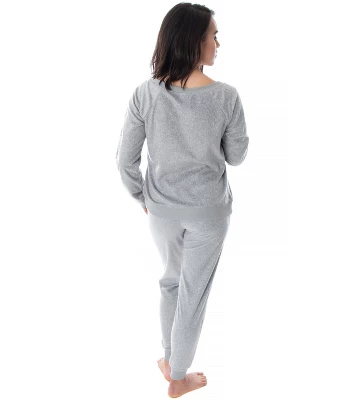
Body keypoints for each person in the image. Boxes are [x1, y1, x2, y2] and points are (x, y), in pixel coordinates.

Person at [116, 2, 249, 398]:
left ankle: (170, 360)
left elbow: (124, 159)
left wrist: (142, 196)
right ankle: (178, 377)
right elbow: (237, 156)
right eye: (213, 37)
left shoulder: (145, 93)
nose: (218, 44)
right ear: (194, 41)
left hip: (161, 210)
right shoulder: (226, 97)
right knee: (193, 295)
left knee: (171, 283)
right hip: (209, 212)